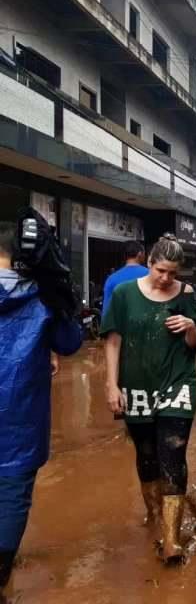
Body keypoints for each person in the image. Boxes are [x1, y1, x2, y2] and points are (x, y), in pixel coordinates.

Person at [101, 234, 196, 564]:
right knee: (146, 458)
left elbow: (194, 343)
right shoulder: (124, 294)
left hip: (178, 385)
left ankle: (172, 540)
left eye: (173, 273)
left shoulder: (186, 296)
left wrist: (190, 326)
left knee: (172, 455)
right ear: (149, 263)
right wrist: (111, 385)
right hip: (137, 389)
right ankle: (155, 515)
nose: (166, 278)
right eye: (161, 270)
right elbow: (113, 341)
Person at [0, 221, 83, 589]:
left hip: (22, 416)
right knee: (13, 496)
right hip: (21, 418)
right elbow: (69, 343)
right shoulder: (43, 296)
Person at [102, 240, 148, 317]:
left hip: (120, 326)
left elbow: (106, 311)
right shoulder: (149, 274)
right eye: (144, 253)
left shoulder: (111, 278)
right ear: (140, 254)